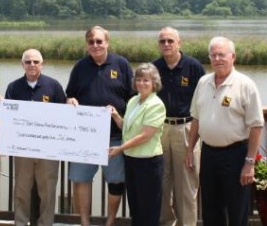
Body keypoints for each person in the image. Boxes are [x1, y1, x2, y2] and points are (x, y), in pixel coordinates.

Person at [185, 36, 264, 225]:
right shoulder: (203, 82)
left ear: (233, 56)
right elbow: (196, 118)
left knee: (237, 209)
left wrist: (250, 163)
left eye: (221, 54)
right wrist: (190, 149)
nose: (217, 59)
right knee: (211, 209)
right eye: (213, 55)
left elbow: (256, 125)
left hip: (236, 155)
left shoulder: (246, 85)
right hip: (209, 153)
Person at [66, 25, 134, 226]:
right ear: (87, 45)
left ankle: (110, 221)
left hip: (115, 136)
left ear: (107, 43)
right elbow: (70, 94)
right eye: (91, 42)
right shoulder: (80, 67)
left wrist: (122, 119)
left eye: (99, 41)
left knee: (115, 182)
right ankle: (85, 223)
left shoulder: (121, 64)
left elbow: (133, 97)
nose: (95, 45)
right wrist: (69, 100)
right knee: (81, 179)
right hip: (85, 137)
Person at [5, 49, 66, 226]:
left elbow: (64, 116)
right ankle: (20, 223)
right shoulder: (13, 87)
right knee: (22, 190)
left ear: (42, 63)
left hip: (48, 150)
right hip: (23, 149)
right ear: (22, 64)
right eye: (28, 61)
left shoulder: (53, 85)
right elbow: (8, 117)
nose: (32, 65)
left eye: (35, 61)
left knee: (47, 190)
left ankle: (45, 223)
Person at [153, 27, 205, 226]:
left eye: (170, 41)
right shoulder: (154, 68)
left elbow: (204, 100)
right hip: (160, 129)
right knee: (161, 181)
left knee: (187, 183)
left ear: (179, 43)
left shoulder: (193, 67)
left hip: (187, 129)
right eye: (163, 41)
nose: (166, 44)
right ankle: (167, 222)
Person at [109, 63, 166, 226]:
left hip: (148, 161)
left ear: (154, 82)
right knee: (135, 205)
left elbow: (145, 136)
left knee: (148, 207)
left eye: (146, 80)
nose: (141, 83)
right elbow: (126, 127)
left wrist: (120, 148)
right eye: (139, 79)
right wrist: (115, 116)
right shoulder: (134, 100)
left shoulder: (156, 104)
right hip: (131, 159)